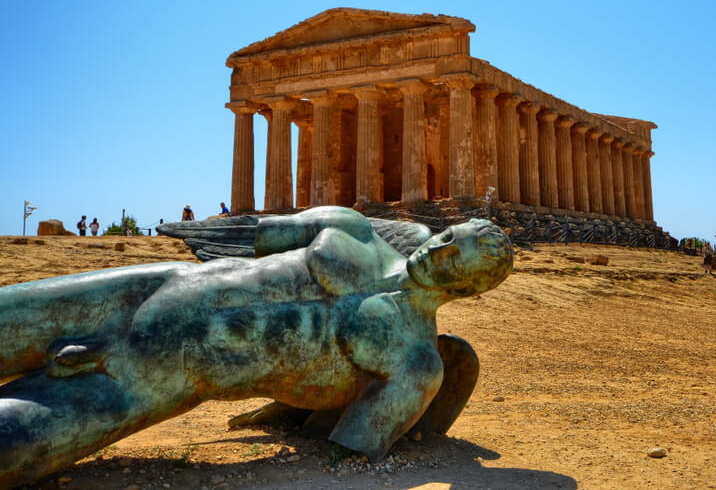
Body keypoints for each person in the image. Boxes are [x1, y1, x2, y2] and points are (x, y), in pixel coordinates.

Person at [0, 207, 512, 487]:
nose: (437, 252)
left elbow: (352, 443)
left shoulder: (415, 363)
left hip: (160, 377)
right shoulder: (353, 228)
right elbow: (248, 236)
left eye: (454, 260)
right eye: (448, 237)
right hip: (152, 288)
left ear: (469, 288)